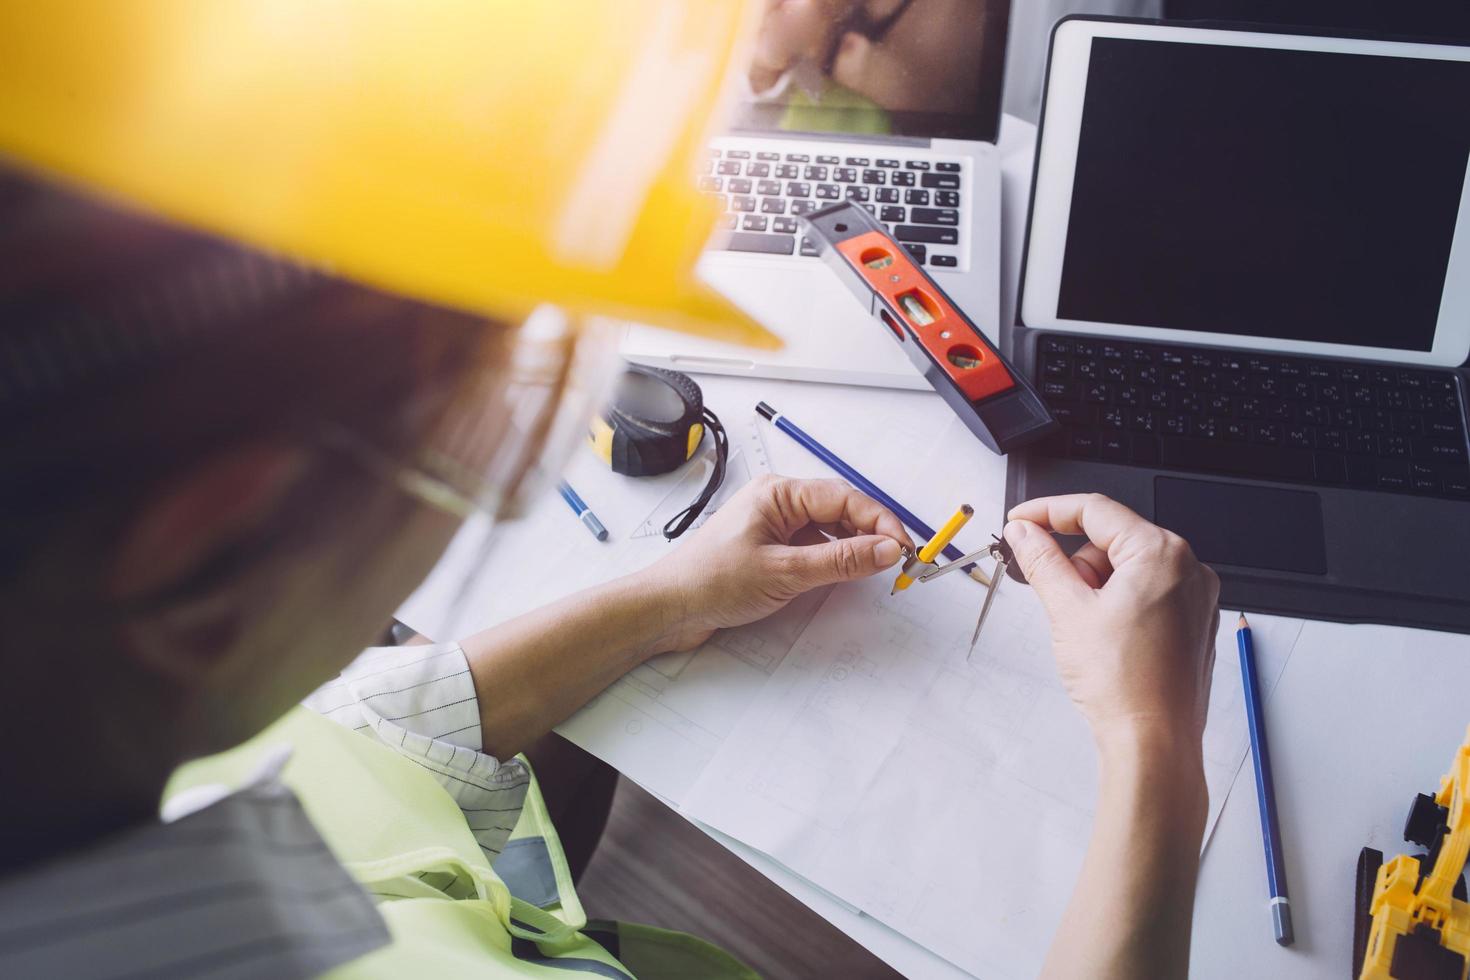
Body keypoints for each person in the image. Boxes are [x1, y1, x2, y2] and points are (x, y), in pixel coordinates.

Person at [0, 5, 1220, 979]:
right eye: (485, 439)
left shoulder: (94, 753)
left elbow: (358, 744)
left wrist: (672, 594)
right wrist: (1152, 741)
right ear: (208, 560)